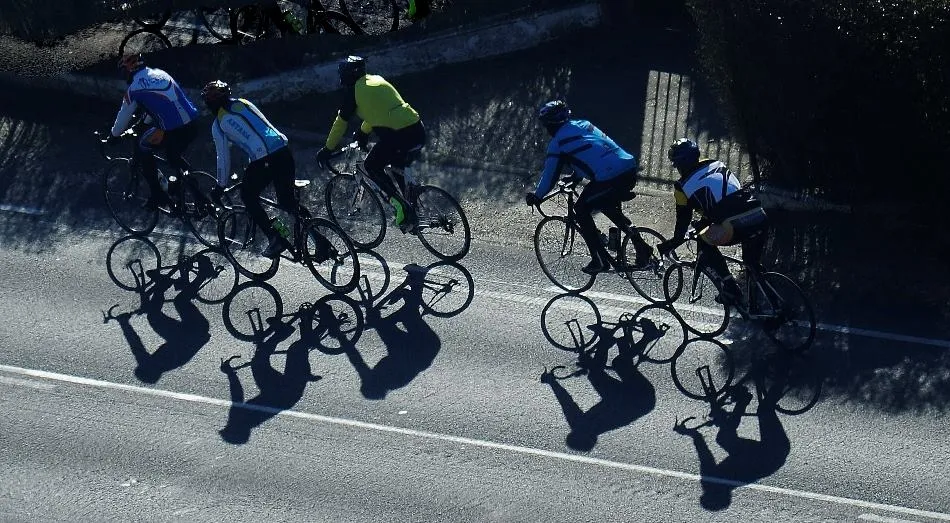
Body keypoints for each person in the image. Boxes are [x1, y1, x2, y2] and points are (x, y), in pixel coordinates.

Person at [525, 100, 654, 275]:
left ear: (549, 125)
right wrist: (576, 177)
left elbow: (550, 175)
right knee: (604, 203)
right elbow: (592, 151)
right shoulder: (584, 124)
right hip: (628, 169)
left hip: (610, 178)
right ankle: (642, 248)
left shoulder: (558, 143)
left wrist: (537, 195)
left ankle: (599, 260)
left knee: (581, 209)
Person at [315, 55, 426, 232]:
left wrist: (327, 149)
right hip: (418, 131)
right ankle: (412, 207)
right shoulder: (376, 80)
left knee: (371, 166)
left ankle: (401, 207)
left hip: (399, 137)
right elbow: (377, 111)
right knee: (396, 163)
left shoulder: (353, 94)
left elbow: (340, 123)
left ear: (347, 76)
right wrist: (363, 131)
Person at [656, 137, 769, 305]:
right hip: (758, 214)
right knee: (751, 264)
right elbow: (723, 200)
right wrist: (705, 220)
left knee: (704, 240)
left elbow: (683, 219)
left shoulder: (682, 186)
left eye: (676, 165)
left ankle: (731, 287)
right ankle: (770, 303)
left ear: (680, 164)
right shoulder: (717, 164)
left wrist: (672, 243)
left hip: (733, 224)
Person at [201, 80, 301, 259]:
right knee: (287, 202)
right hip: (283, 150)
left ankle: (275, 238)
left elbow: (223, 158)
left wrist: (220, 186)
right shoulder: (243, 103)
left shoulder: (219, 124)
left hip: (264, 160)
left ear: (210, 104)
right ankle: (319, 239)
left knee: (248, 196)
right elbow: (260, 130)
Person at [109, 53, 199, 210]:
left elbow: (123, 117)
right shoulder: (160, 73)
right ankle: (193, 187)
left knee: (142, 145)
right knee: (173, 156)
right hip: (193, 123)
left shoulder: (134, 89)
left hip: (173, 128)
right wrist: (141, 124)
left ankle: (158, 195)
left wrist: (113, 136)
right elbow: (159, 106)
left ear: (129, 70)